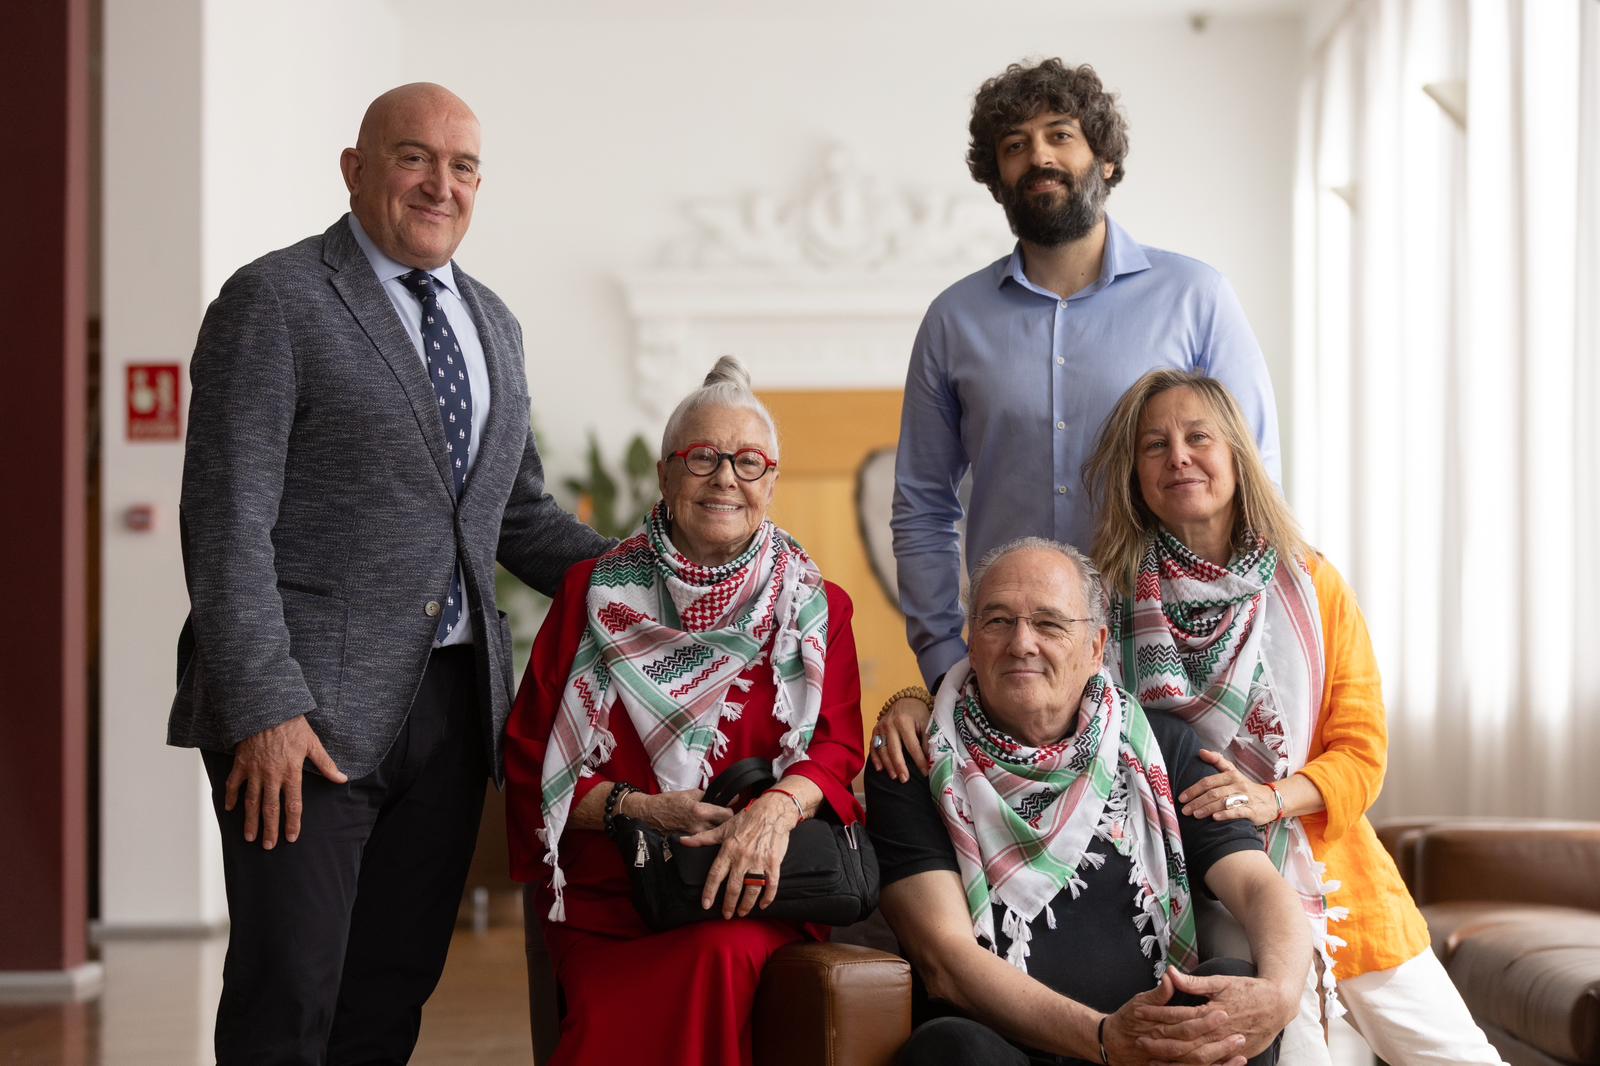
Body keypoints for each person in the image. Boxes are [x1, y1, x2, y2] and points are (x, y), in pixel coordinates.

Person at [166, 83, 610, 1064]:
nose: (440, 184)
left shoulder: (493, 322)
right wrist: (265, 708)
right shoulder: (275, 300)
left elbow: (517, 517)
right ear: (356, 169)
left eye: (463, 166)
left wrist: (661, 577)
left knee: (391, 991)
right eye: (415, 158)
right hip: (303, 717)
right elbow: (227, 521)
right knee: (290, 992)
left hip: (453, 713)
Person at [1079, 370, 1506, 1063]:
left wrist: (1268, 798)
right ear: (1135, 476)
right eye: (1154, 446)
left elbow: (1361, 752)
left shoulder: (1311, 581)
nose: (1178, 457)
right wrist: (915, 701)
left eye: (1198, 437)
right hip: (1213, 893)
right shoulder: (1107, 603)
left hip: (1342, 881)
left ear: (1236, 455)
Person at [503, 357, 866, 1066]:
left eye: (749, 462)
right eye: (702, 457)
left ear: (771, 483)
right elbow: (531, 760)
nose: (726, 477)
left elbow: (836, 750)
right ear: (666, 476)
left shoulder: (817, 609)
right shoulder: (590, 592)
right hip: (613, 901)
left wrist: (773, 812)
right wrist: (641, 809)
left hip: (751, 889)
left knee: (718, 956)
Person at [891, 57, 1280, 698]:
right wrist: (940, 656)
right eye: (1015, 146)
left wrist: (1237, 634)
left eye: (1060, 135)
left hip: (1176, 650)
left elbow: (1256, 476)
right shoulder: (952, 320)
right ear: (997, 180)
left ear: (1106, 160)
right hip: (1014, 661)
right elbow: (923, 505)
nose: (1038, 156)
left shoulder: (1197, 297)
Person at [866, 538, 1309, 1066]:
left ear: (1096, 647)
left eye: (1049, 624)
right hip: (1011, 1051)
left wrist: (1282, 994)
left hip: (1156, 1051)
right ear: (972, 642)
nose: (1022, 643)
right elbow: (945, 959)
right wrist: (1105, 1039)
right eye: (998, 621)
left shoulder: (1159, 747)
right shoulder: (913, 761)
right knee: (953, 1049)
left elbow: (1259, 886)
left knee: (1232, 995)